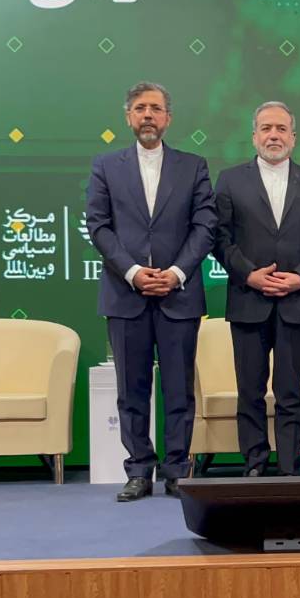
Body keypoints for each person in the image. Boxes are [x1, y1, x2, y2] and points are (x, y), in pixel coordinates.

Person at [86, 82, 218, 502]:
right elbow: (98, 226)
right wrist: (132, 272)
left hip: (178, 295)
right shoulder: (106, 166)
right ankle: (139, 470)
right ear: (128, 116)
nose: (148, 115)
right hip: (126, 295)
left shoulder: (193, 166)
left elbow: (205, 226)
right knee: (131, 390)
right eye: (140, 108)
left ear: (168, 118)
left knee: (179, 389)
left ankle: (177, 471)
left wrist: (176, 273)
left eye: (156, 109)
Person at [213, 101, 300, 476]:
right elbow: (219, 239)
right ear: (254, 136)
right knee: (250, 390)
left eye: (281, 129)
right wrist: (249, 274)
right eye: (266, 128)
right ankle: (254, 464)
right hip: (248, 300)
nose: (273, 135)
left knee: (290, 391)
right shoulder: (230, 180)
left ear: (293, 138)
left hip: (294, 302)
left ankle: (288, 468)